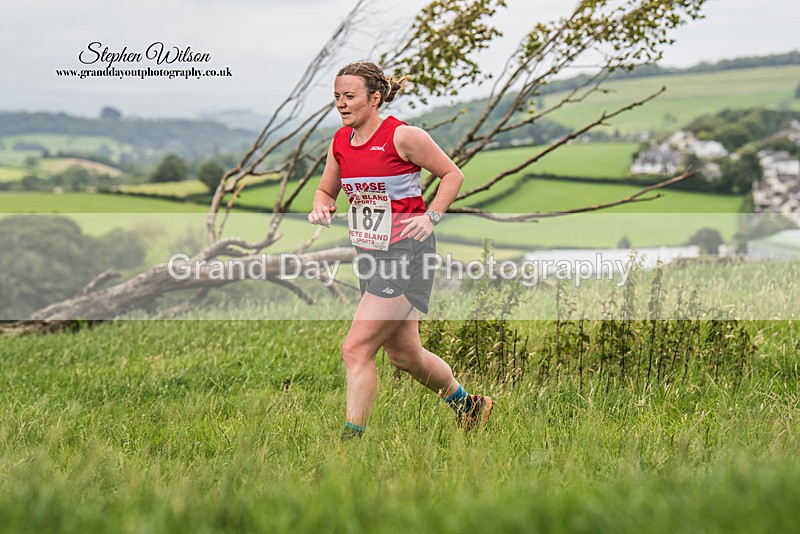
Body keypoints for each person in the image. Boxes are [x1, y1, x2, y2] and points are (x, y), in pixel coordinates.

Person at [308, 61, 492, 439]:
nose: (341, 104)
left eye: (350, 96)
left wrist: (433, 216)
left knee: (356, 348)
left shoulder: (403, 136)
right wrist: (322, 206)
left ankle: (349, 445)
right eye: (337, 97)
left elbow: (452, 174)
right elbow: (326, 190)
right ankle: (470, 406)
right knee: (405, 355)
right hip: (371, 255)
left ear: (375, 98)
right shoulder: (340, 143)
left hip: (407, 252)